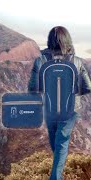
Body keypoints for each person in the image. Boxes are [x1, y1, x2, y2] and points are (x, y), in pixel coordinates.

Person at [28, 26, 91, 180]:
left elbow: (32, 89)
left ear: (50, 41)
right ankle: (57, 177)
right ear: (67, 40)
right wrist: (74, 95)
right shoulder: (76, 61)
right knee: (60, 143)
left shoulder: (40, 61)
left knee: (57, 142)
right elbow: (88, 87)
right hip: (69, 110)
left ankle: (55, 177)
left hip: (49, 109)